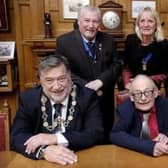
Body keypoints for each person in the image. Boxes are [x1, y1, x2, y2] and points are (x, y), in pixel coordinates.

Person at [10, 54, 104, 165]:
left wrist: (56, 138)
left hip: (80, 160)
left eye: (62, 79)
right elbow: (17, 137)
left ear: (69, 77)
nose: (56, 86)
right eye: (49, 80)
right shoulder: (29, 99)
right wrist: (43, 151)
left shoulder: (87, 96)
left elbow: (96, 133)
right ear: (41, 80)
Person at [56, 5, 122, 137]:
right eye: (87, 20)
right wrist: (87, 86)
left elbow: (117, 65)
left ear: (99, 23)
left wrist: (100, 81)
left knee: (105, 137)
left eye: (95, 21)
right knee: (82, 137)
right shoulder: (64, 42)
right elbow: (62, 71)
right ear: (78, 21)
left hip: (104, 100)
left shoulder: (109, 40)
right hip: (78, 99)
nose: (91, 25)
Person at [110, 74, 168, 157]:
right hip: (135, 156)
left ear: (155, 93)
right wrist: (149, 147)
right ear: (131, 97)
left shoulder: (165, 105)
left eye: (147, 92)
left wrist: (166, 135)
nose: (143, 98)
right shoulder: (125, 109)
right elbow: (115, 135)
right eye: (137, 94)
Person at [122, 7, 168, 90]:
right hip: (132, 88)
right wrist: (127, 82)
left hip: (152, 89)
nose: (146, 25)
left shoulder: (163, 44)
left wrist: (143, 82)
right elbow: (125, 67)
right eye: (142, 21)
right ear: (138, 24)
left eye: (150, 21)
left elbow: (165, 73)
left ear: (156, 25)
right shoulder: (131, 40)